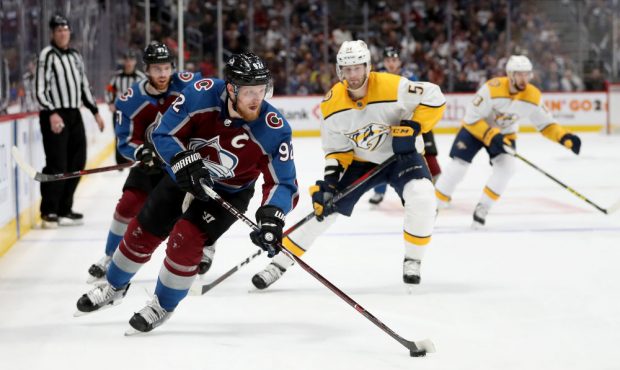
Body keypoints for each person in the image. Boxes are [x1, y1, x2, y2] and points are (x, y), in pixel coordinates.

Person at [75, 53, 299, 333]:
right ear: (231, 89)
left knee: (186, 240)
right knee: (142, 230)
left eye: (262, 90)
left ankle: (162, 306)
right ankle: (113, 286)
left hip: (229, 193)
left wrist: (272, 217)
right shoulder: (200, 95)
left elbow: (283, 182)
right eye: (249, 91)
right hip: (182, 177)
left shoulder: (274, 129)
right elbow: (163, 134)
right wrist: (182, 160)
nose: (258, 98)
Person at [251, 40, 446, 290]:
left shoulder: (394, 85)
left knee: (423, 198)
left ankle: (413, 259)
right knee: (321, 211)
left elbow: (434, 97)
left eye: (357, 68)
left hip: (403, 157)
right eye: (347, 69)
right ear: (339, 70)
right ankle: (278, 263)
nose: (353, 75)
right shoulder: (332, 105)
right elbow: (336, 150)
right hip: (361, 162)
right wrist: (330, 183)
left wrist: (414, 126)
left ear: (367, 67)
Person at [86, 42, 204, 282]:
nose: (162, 74)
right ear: (146, 70)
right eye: (156, 69)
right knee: (128, 205)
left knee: (198, 205)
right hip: (151, 165)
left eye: (166, 68)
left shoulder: (188, 86)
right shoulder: (130, 99)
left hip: (182, 162)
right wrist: (141, 152)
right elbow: (125, 141)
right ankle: (110, 256)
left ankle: (205, 252)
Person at [434, 55, 581, 227]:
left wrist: (564, 137)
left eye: (527, 74)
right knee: (458, 166)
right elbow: (471, 117)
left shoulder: (533, 96)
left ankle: (483, 207)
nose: (524, 78)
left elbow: (546, 124)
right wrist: (490, 134)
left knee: (507, 168)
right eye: (519, 74)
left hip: (504, 135)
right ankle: (433, 205)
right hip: (475, 130)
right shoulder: (492, 88)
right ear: (510, 74)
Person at [36, 14, 105, 228]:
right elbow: (39, 90)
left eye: (65, 29)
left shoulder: (75, 55)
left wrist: (95, 112)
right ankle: (49, 210)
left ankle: (65, 208)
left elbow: (84, 86)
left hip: (74, 114)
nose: (63, 33)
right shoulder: (47, 55)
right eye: (58, 30)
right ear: (52, 33)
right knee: (58, 164)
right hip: (54, 115)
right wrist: (51, 112)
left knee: (78, 163)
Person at [369, 46, 442, 205]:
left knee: (420, 154)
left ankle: (428, 187)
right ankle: (379, 191)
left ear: (399, 61)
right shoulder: (378, 77)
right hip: (387, 123)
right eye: (388, 60)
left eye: (394, 60)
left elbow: (420, 99)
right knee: (381, 156)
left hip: (411, 122)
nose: (391, 64)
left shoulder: (410, 77)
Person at [105, 50, 147, 165]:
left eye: (131, 60)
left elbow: (146, 93)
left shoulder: (140, 77)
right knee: (120, 136)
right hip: (120, 113)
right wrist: (110, 103)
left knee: (137, 136)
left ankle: (136, 159)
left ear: (134, 62)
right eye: (127, 60)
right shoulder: (117, 76)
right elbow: (109, 89)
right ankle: (120, 163)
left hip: (136, 114)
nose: (128, 63)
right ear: (123, 61)